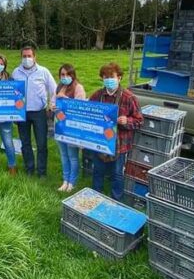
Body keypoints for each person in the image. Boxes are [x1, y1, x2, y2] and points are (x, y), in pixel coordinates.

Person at [88, 62, 142, 201]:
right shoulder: (96, 96)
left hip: (120, 143)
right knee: (97, 171)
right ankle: (95, 198)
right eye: (105, 77)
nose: (108, 80)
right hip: (100, 141)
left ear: (119, 78)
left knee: (117, 174)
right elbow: (87, 114)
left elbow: (139, 121)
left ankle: (116, 201)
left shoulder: (129, 98)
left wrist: (127, 121)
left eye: (111, 76)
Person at [11, 45, 57, 177]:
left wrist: (51, 104)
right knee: (25, 143)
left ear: (34, 57)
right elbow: (12, 93)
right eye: (24, 56)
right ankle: (29, 169)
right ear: (21, 57)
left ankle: (41, 172)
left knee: (41, 143)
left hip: (39, 112)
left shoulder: (43, 71)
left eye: (29, 56)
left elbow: (54, 90)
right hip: (22, 113)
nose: (27, 59)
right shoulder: (16, 72)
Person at [55, 63, 86, 192]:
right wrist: (52, 106)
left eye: (68, 74)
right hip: (60, 125)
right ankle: (65, 180)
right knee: (63, 155)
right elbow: (53, 102)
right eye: (62, 74)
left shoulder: (78, 88)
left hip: (72, 128)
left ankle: (72, 182)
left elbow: (80, 108)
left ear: (73, 75)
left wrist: (65, 99)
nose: (65, 77)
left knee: (72, 155)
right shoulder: (59, 87)